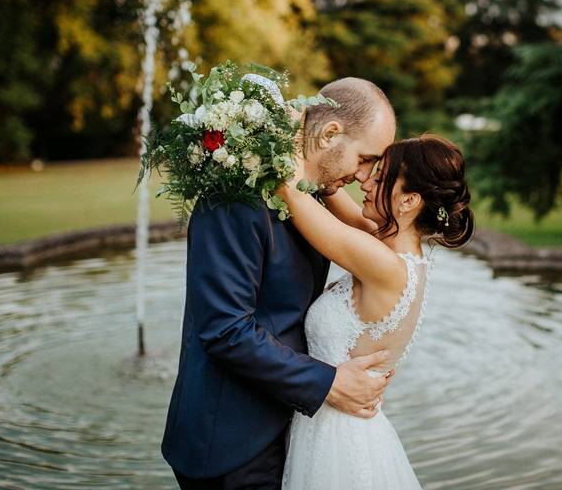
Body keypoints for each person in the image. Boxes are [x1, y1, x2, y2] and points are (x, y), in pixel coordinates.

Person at [161, 78, 397, 489]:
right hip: (231, 442)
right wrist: (331, 383)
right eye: (364, 159)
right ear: (329, 134)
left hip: (288, 428)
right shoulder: (233, 197)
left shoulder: (312, 198)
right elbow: (226, 329)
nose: (363, 177)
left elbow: (372, 236)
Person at [277, 134, 475, 489]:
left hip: (335, 440)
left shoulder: (384, 264)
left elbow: (290, 193)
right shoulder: (395, 250)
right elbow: (330, 193)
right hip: (341, 426)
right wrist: (327, 152)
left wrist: (277, 129)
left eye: (381, 178)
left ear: (409, 201)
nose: (364, 181)